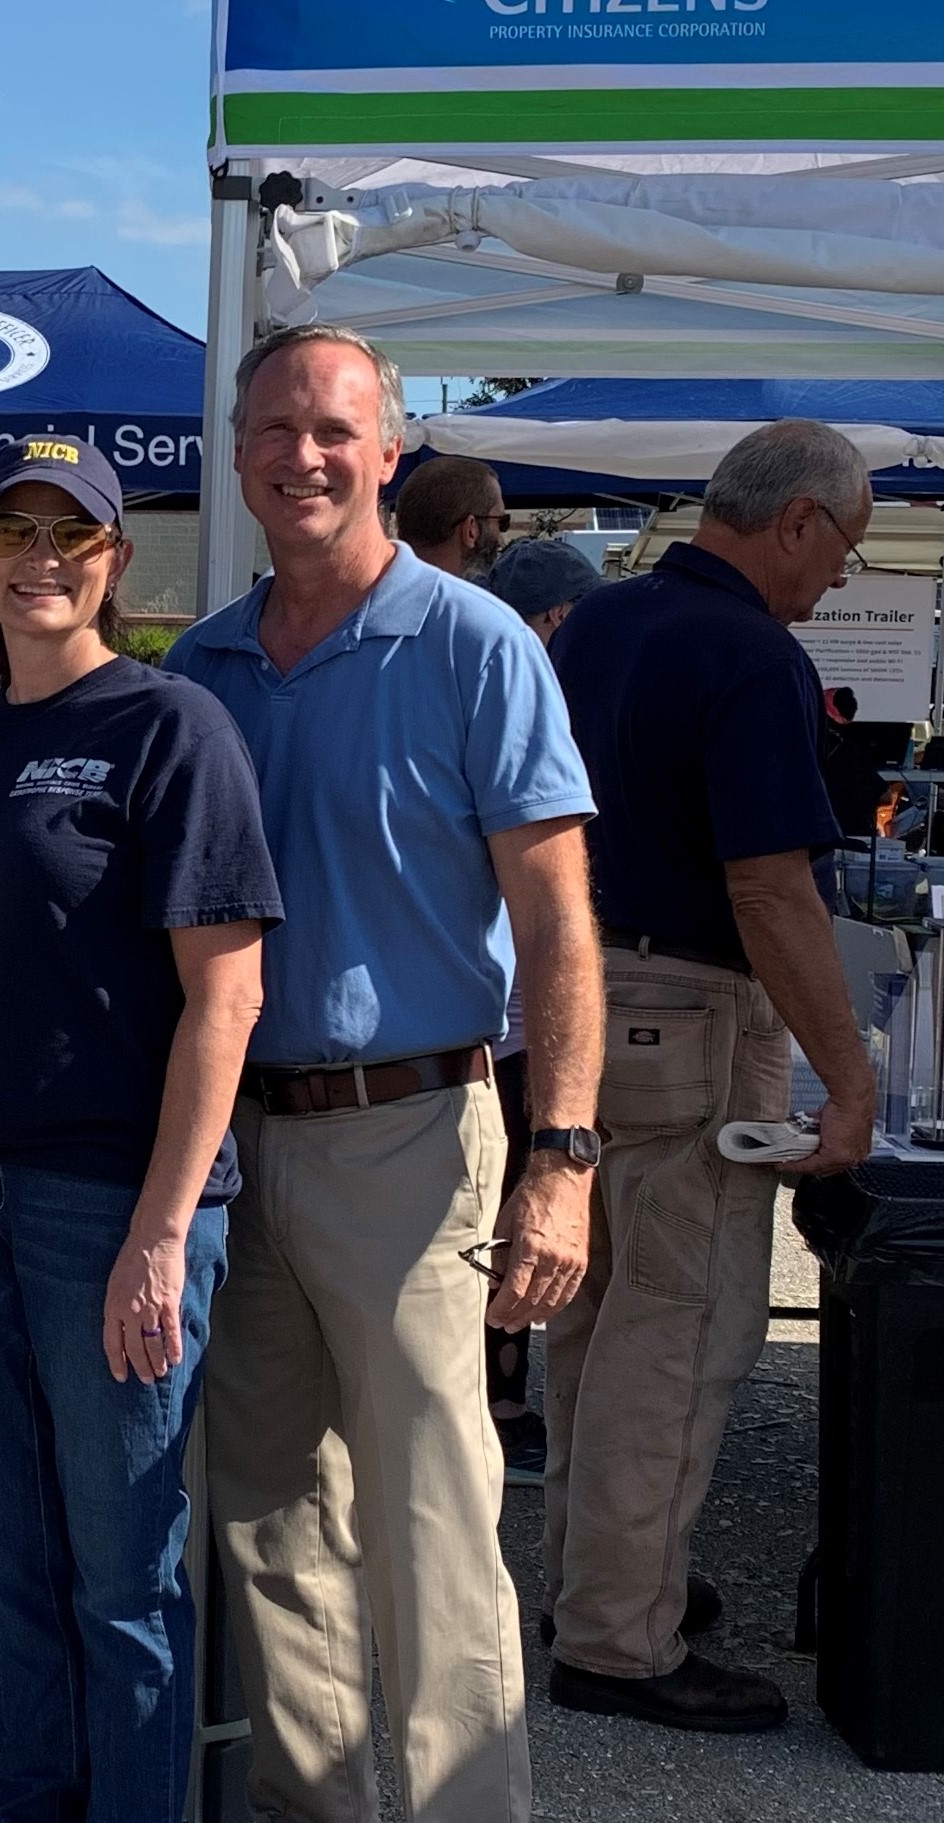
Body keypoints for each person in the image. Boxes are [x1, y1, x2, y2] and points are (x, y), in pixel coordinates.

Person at [166, 324, 604, 1823]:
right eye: (275, 428)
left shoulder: (474, 646)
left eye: (335, 430)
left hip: (412, 1131)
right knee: (272, 1520)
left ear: (390, 452)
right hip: (239, 1150)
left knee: (431, 1522)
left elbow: (558, 920)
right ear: (236, 455)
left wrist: (563, 1154)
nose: (303, 455)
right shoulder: (207, 665)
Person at [0, 435, 279, 1822]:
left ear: (115, 562)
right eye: (13, 531)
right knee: (3, 1557)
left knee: (126, 1576)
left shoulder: (170, 728)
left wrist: (162, 1231)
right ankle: (34, 1796)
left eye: (74, 534)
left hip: (108, 1199)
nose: (41, 557)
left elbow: (225, 999)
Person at [543, 419, 874, 1732]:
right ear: (795, 518)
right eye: (842, 549)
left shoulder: (599, 624)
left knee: (595, 1315)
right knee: (681, 1331)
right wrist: (845, 1082)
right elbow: (771, 886)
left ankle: (602, 1582)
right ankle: (623, 1634)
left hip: (576, 992)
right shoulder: (751, 653)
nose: (837, 578)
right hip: (692, 1002)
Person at [481, 535, 606, 1488]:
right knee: (503, 1225)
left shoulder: (504, 671)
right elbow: (560, 918)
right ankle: (504, 1402)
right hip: (502, 1030)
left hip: (504, 1026)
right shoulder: (521, 679)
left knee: (506, 1219)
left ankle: (504, 1397)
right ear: (561, 616)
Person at [396, 454, 508, 579]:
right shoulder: (475, 598)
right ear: (471, 530)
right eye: (502, 523)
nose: (501, 541)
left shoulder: (375, 591)